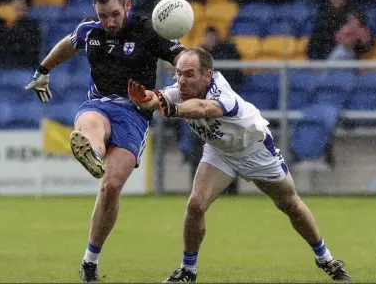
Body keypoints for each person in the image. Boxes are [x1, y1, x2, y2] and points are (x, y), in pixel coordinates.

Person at [127, 47, 352, 283]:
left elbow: (203, 109)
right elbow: (157, 98)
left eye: (189, 74)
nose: (182, 80)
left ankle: (325, 258)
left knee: (290, 205)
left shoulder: (223, 94)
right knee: (195, 205)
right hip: (220, 151)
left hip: (254, 149)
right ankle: (187, 270)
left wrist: (171, 108)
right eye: (179, 73)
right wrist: (144, 99)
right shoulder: (179, 90)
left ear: (207, 75)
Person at [24, 0, 185, 282]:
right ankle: (93, 152)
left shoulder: (148, 31)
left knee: (111, 187)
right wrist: (43, 71)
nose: (108, 22)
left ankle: (90, 261)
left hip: (135, 113)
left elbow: (182, 61)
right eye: (102, 16)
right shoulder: (90, 31)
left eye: (113, 14)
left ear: (127, 5)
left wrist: (168, 91)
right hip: (98, 104)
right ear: (95, 14)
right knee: (91, 123)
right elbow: (67, 45)